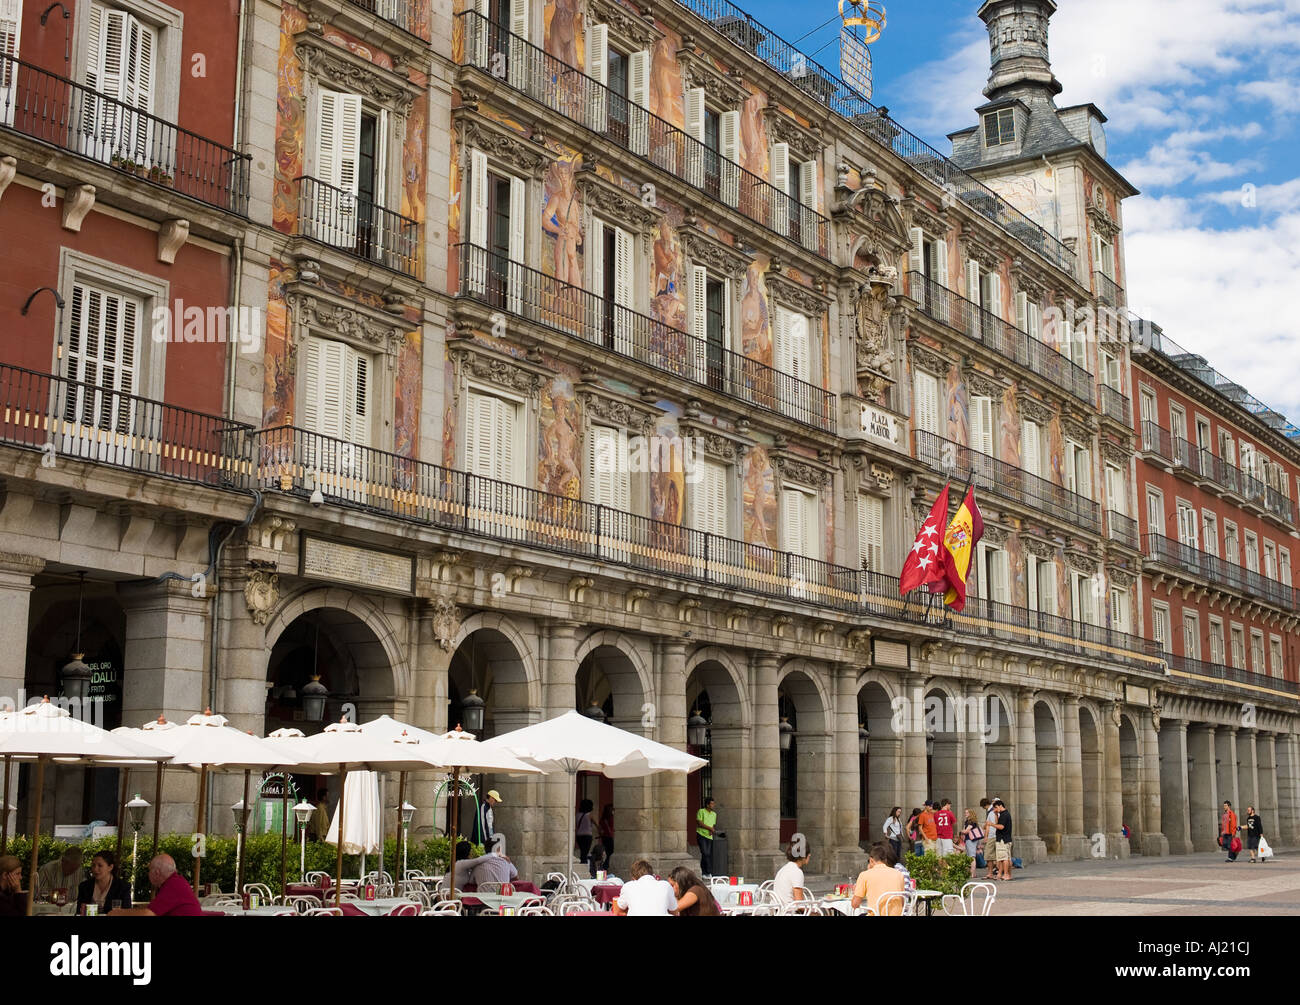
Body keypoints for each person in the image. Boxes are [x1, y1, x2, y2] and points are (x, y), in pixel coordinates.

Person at [109, 854, 201, 916]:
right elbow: (153, 908)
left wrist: (118, 913)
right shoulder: (175, 882)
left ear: (157, 873)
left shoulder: (173, 885)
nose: (148, 874)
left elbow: (148, 914)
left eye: (149, 870)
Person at [851, 842, 906, 915]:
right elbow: (902, 902)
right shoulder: (899, 874)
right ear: (885, 860)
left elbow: (855, 904)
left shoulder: (865, 875)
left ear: (871, 860)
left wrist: (856, 892)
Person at [612, 859, 677, 916]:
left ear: (633, 878)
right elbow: (674, 912)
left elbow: (617, 911)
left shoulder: (628, 886)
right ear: (652, 874)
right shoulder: (665, 885)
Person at [773, 840, 811, 905]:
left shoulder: (784, 869)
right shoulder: (796, 872)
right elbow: (799, 903)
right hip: (790, 911)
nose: (810, 855)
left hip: (778, 909)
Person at [992, 799, 1013, 881]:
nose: (995, 810)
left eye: (996, 808)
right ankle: (1005, 874)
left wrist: (991, 824)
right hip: (1005, 839)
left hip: (1003, 839)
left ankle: (1006, 874)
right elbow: (999, 824)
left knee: (1004, 858)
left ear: (1000, 806)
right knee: (1003, 858)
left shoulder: (1004, 814)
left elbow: (1001, 826)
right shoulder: (1003, 814)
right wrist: (996, 815)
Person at [695, 797, 718, 875]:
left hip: (709, 836)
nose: (713, 805)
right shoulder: (701, 811)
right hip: (701, 834)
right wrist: (710, 828)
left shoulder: (714, 814)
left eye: (713, 803)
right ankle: (708, 872)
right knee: (705, 853)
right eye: (711, 804)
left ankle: (703, 872)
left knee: (706, 854)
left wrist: (712, 830)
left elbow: (713, 825)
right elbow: (699, 823)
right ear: (707, 805)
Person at [961, 809, 985, 878]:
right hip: (971, 840)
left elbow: (967, 831)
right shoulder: (969, 821)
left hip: (970, 840)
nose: (965, 813)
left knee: (972, 857)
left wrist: (961, 831)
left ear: (971, 813)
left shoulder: (970, 822)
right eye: (965, 812)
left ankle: (972, 873)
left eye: (967, 812)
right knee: (970, 856)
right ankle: (973, 873)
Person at [982, 798, 999, 880]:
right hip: (991, 836)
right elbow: (988, 825)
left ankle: (998, 873)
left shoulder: (1000, 813)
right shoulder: (990, 813)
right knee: (989, 856)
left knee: (997, 856)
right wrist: (986, 836)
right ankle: (990, 873)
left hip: (997, 836)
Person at [575, 798, 595, 867]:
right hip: (587, 835)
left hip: (579, 835)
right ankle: (584, 865)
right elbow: (597, 825)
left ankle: (582, 864)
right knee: (585, 852)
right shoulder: (589, 815)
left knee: (582, 851)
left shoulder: (577, 815)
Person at [598, 803, 615, 871]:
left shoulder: (603, 819)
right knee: (610, 852)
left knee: (607, 853)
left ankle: (605, 866)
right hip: (609, 836)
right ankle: (606, 865)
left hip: (604, 837)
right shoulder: (611, 818)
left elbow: (600, 827)